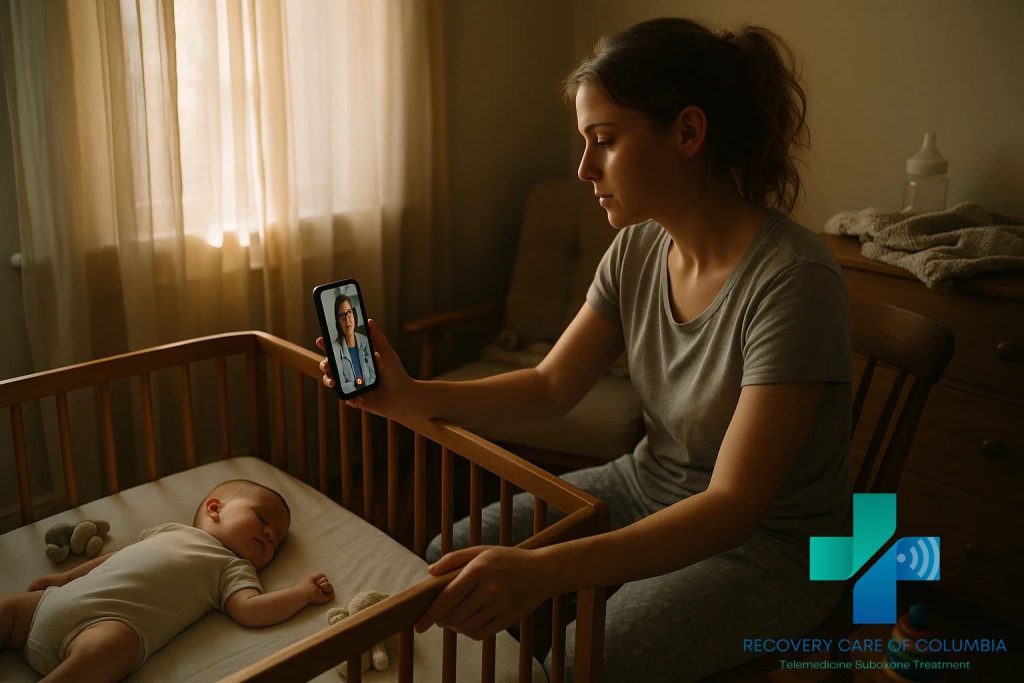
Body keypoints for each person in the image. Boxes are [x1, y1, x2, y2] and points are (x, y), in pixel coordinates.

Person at [317, 17, 851, 682]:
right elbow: (550, 386)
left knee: (578, 659)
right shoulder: (637, 247)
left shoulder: (793, 278)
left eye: (604, 140)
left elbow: (733, 505)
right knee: (449, 554)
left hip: (777, 545)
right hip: (648, 481)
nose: (583, 167)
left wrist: (544, 570)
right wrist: (411, 396)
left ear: (687, 132)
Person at [0, 479, 335, 681]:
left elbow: (251, 609)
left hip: (103, 628)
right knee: (8, 608)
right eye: (261, 519)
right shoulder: (170, 530)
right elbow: (116, 557)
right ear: (215, 508)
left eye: (274, 541)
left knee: (114, 647)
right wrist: (67, 576)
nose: (267, 533)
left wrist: (300, 593)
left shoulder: (231, 566)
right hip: (58, 600)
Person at [333, 294, 376, 392]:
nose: (347, 319)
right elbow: (342, 387)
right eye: (342, 315)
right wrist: (359, 383)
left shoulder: (365, 340)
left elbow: (374, 376)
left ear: (354, 314)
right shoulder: (335, 348)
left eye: (349, 312)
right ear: (338, 321)